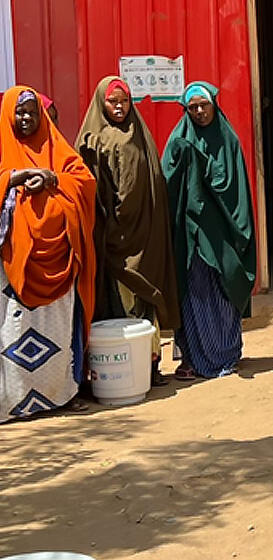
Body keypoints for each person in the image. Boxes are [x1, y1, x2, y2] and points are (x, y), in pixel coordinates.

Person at [76, 77, 180, 386]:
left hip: (141, 237)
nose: (119, 107)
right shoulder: (92, 139)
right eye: (112, 102)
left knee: (141, 300)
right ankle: (112, 374)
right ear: (101, 104)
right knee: (113, 304)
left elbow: (152, 184)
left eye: (124, 101)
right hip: (110, 240)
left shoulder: (139, 135)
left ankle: (148, 368)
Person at [0, 86, 96, 421]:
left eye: (31, 112)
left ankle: (58, 396)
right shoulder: (2, 149)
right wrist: (17, 178)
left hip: (59, 260)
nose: (26, 118)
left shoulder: (55, 146)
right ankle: (13, 402)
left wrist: (52, 177)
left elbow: (83, 180)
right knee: (11, 334)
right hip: (14, 267)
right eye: (20, 112)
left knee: (56, 334)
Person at [162, 82, 256, 379]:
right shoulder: (179, 139)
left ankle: (226, 354)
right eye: (193, 108)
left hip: (222, 234)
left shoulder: (228, 140)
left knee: (224, 289)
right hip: (191, 236)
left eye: (204, 105)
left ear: (214, 105)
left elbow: (235, 189)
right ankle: (193, 358)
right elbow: (167, 181)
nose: (200, 112)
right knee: (194, 293)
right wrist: (183, 159)